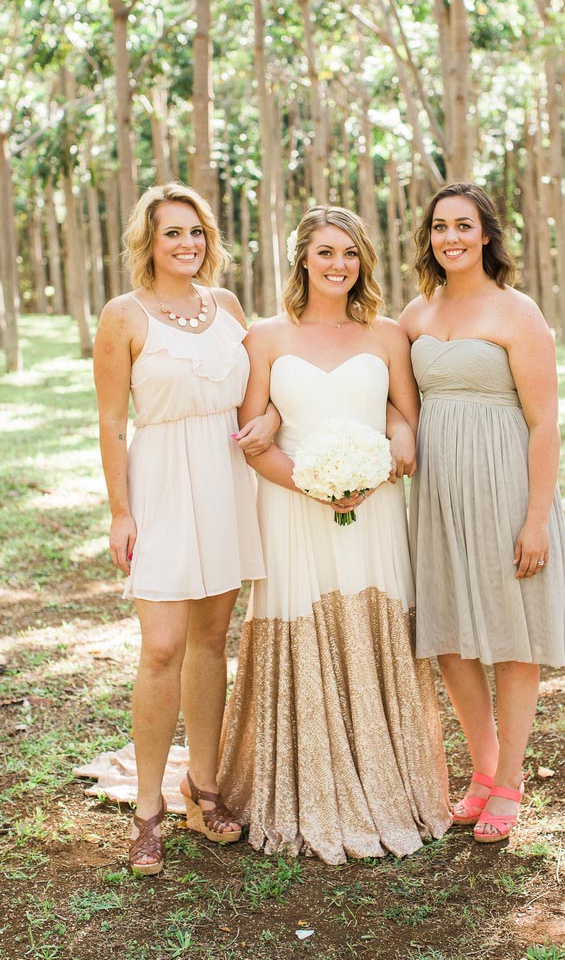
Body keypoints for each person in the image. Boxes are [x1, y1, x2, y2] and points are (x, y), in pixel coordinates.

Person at [217, 205, 452, 865]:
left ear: (363, 261)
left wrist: (392, 441)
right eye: (324, 253)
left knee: (375, 619)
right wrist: (314, 485)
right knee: (303, 620)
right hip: (293, 507)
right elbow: (252, 440)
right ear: (302, 260)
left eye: (349, 253)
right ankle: (307, 790)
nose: (338, 265)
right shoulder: (264, 336)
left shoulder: (385, 335)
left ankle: (386, 784)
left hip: (373, 507)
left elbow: (406, 415)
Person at [93, 183, 276, 875]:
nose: (187, 245)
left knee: (210, 639)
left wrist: (272, 424)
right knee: (162, 646)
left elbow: (264, 387)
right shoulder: (124, 315)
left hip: (228, 481)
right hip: (162, 481)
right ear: (149, 241)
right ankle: (149, 810)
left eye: (195, 233)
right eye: (172, 233)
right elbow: (112, 422)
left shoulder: (226, 306)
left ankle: (204, 786)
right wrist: (120, 509)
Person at [400, 182, 565, 844]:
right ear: (430, 237)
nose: (451, 237)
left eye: (464, 226)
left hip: (505, 487)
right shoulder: (415, 314)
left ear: (486, 236)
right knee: (448, 637)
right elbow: (393, 396)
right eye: (440, 226)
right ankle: (482, 769)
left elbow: (544, 421)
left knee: (511, 635)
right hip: (440, 494)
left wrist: (534, 517)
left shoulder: (516, 312)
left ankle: (512, 782)